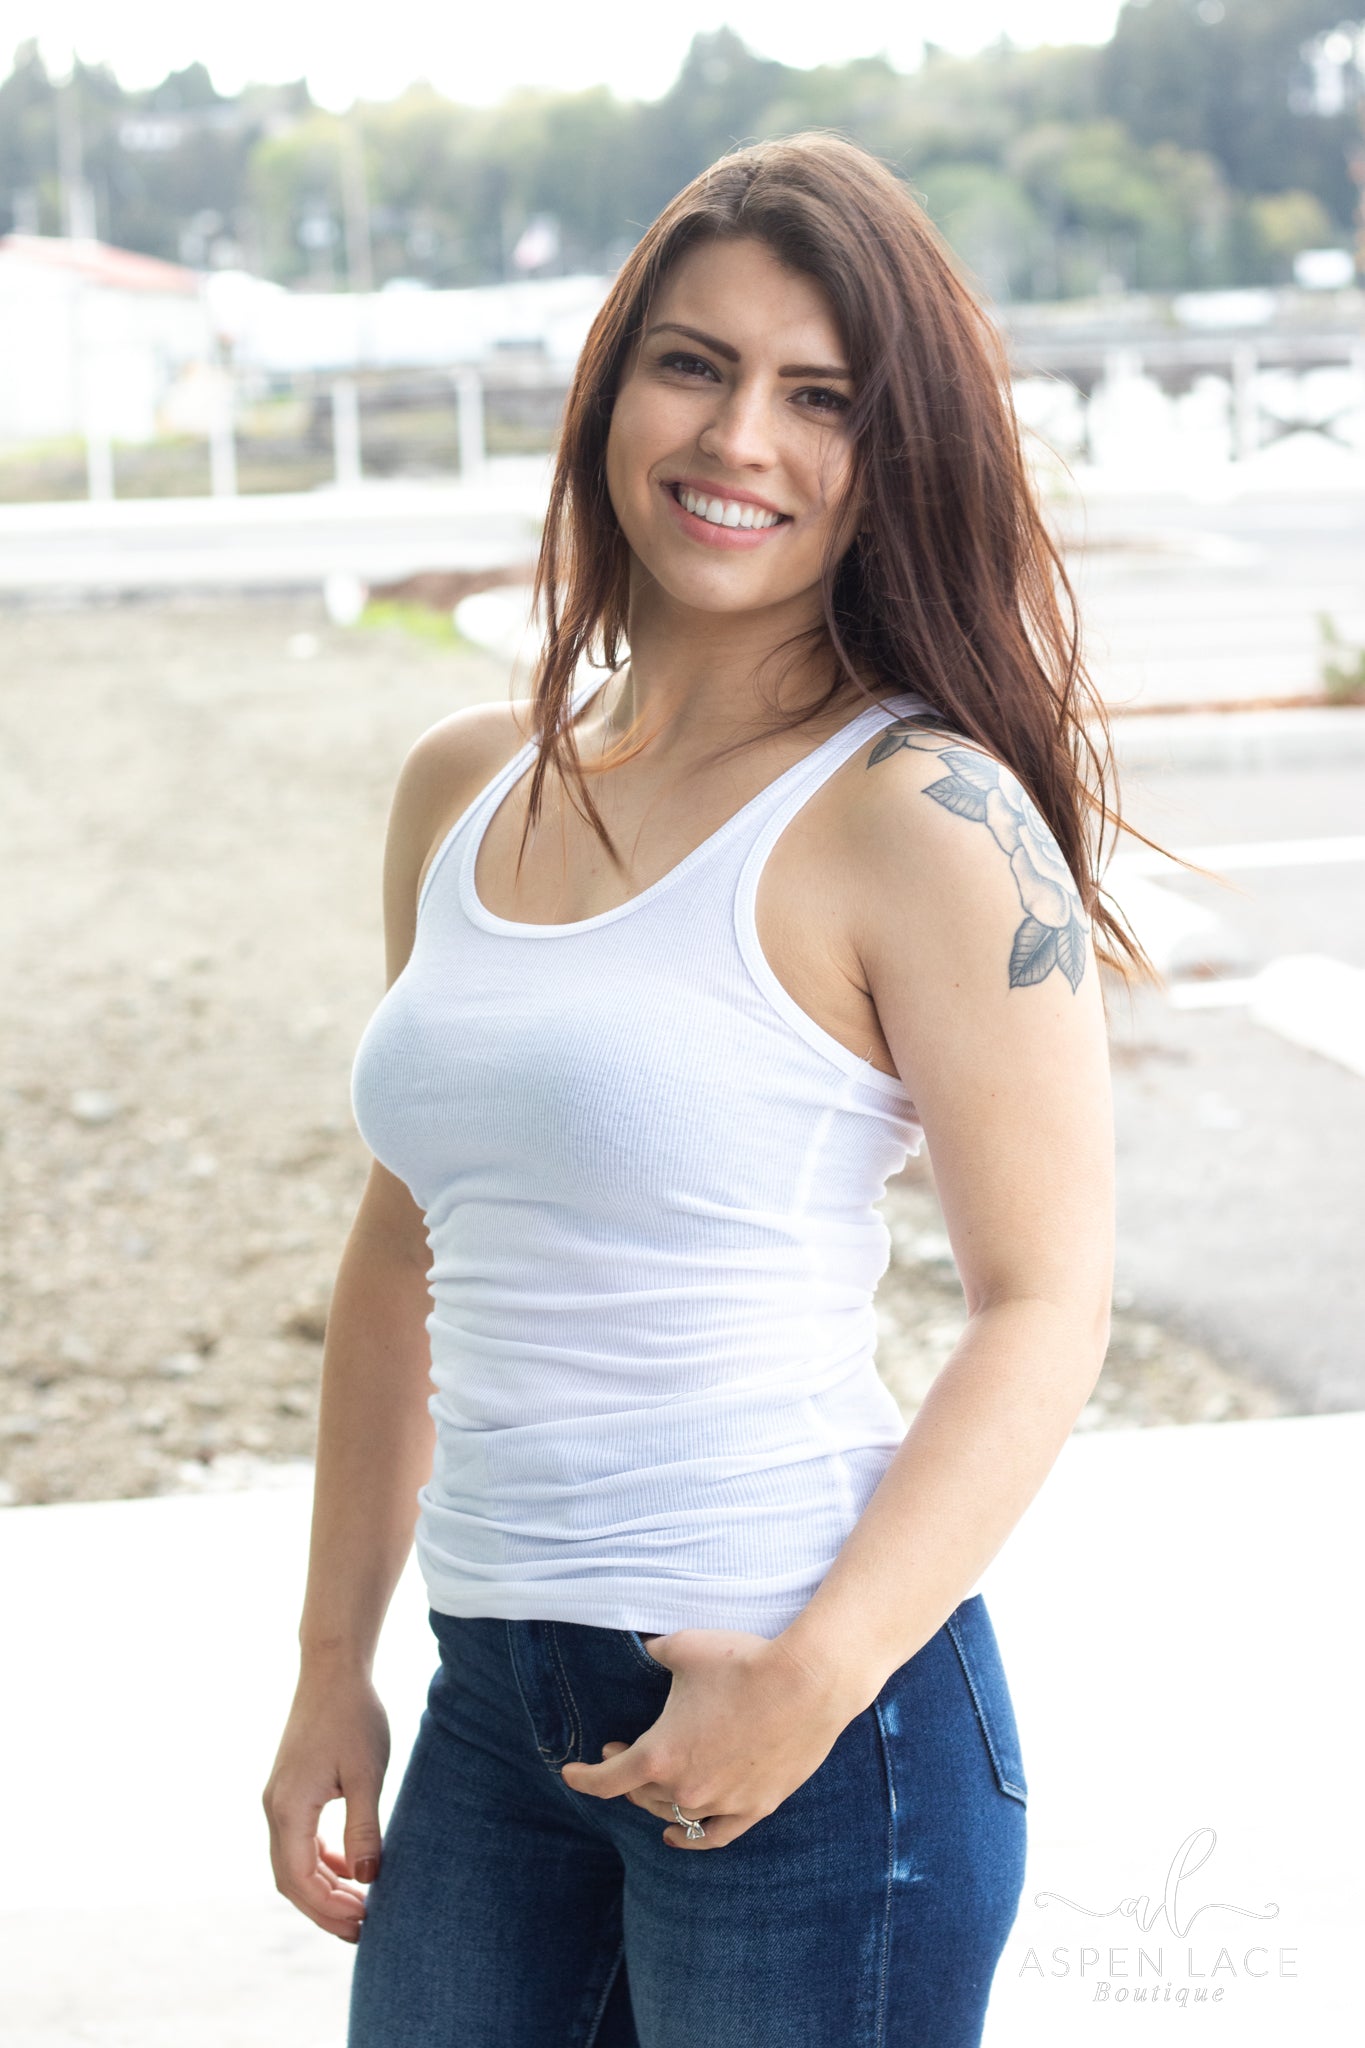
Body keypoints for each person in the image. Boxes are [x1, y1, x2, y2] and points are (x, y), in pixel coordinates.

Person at [263, 132, 1157, 2046]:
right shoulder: (463, 786)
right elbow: (407, 1247)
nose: (739, 436)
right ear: (612, 392)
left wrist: (814, 1679)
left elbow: (1043, 1302)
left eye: (819, 397)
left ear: (894, 454)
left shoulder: (919, 813)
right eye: (694, 364)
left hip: (803, 1718)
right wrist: (334, 1658)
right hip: (491, 1707)